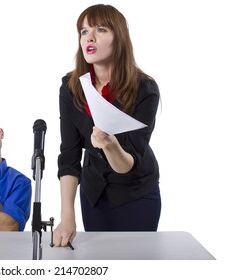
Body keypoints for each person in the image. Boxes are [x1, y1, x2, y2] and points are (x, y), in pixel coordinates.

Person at [53, 4, 161, 247]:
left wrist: (110, 144)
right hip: (94, 194)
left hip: (136, 192)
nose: (89, 37)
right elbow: (69, 156)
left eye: (100, 30)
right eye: (83, 31)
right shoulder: (70, 88)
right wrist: (66, 217)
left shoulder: (145, 89)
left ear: (119, 38)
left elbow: (127, 164)